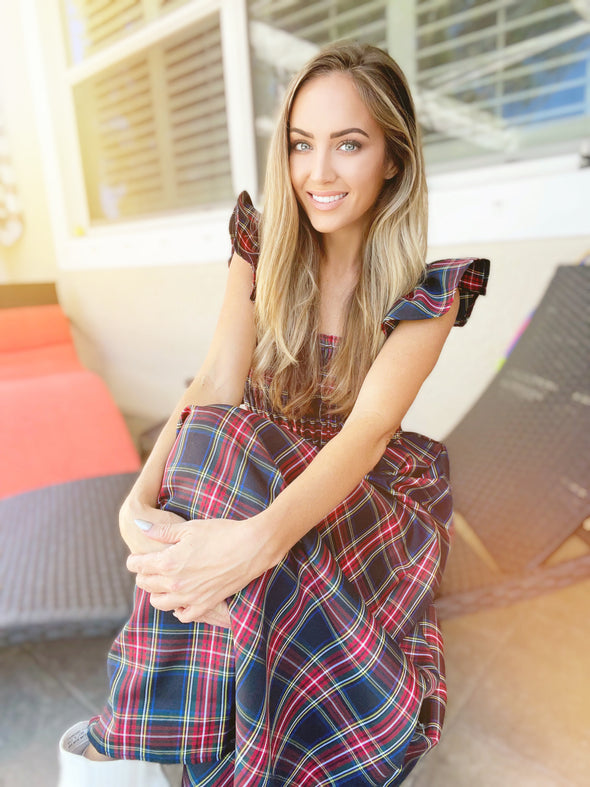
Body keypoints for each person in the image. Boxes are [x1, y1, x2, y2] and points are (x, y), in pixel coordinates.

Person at [59, 42, 489, 786]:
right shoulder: (261, 249)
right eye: (301, 144)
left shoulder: (430, 294)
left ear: (392, 158)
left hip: (361, 502)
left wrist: (248, 548)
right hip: (255, 471)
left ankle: (126, 744)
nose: (318, 173)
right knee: (212, 445)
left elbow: (366, 434)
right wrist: (140, 500)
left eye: (348, 144)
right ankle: (208, 752)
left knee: (226, 470)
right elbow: (214, 381)